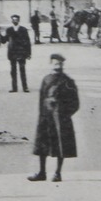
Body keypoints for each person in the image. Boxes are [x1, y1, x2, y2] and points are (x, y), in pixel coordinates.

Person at [29, 53, 80, 182]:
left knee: (61, 145)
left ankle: (58, 173)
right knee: (42, 144)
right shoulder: (46, 79)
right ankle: (42, 172)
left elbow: (75, 102)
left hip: (61, 118)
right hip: (46, 116)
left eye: (60, 63)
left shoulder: (68, 81)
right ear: (51, 64)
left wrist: (65, 114)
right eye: (55, 63)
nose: (58, 65)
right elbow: (41, 99)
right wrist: (42, 115)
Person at [4, 14, 33, 92]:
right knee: (13, 71)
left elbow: (28, 42)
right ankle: (14, 88)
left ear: (19, 20)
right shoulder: (9, 30)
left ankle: (25, 87)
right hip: (12, 53)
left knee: (22, 70)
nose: (15, 21)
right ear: (12, 21)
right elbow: (4, 40)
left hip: (21, 52)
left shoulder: (23, 29)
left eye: (16, 19)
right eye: (13, 20)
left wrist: (29, 53)